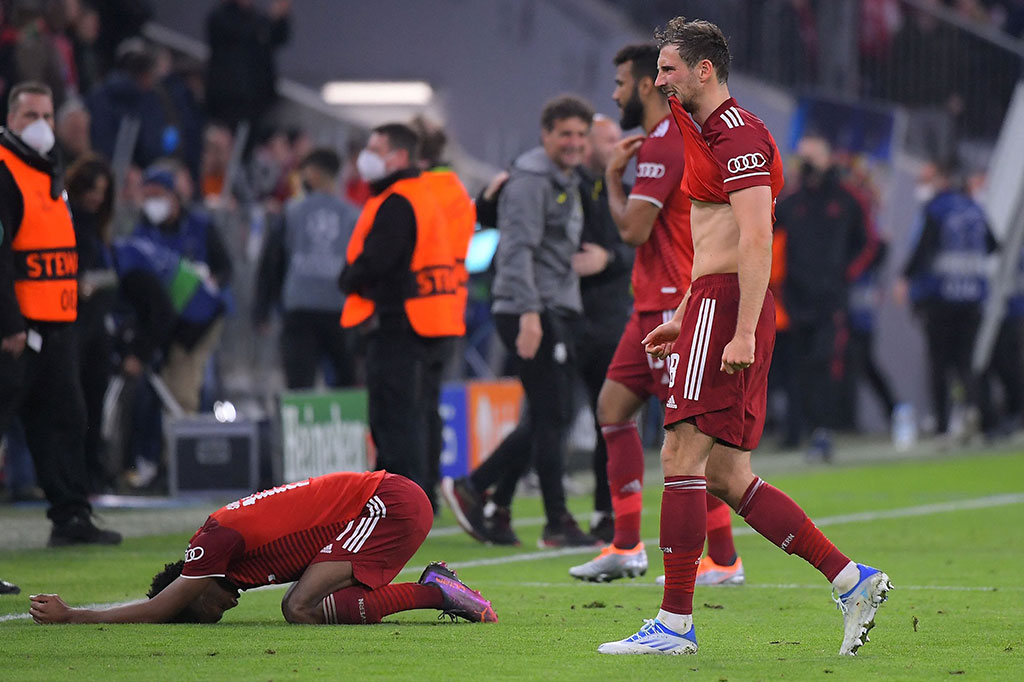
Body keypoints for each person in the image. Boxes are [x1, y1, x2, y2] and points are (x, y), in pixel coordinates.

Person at [597, 19, 891, 657]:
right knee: (728, 475)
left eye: (670, 68)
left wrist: (739, 329)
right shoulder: (697, 127)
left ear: (704, 70)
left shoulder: (740, 135)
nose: (661, 80)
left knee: (679, 458)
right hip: (710, 303)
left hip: (730, 307)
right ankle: (852, 580)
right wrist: (686, 309)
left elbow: (756, 238)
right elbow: (713, 236)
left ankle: (674, 625)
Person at [570, 43, 743, 587]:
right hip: (648, 300)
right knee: (612, 406)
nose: (615, 93)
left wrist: (613, 181)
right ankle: (625, 545)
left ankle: (724, 559)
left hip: (675, 299)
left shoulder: (666, 142)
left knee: (689, 437)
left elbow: (632, 231)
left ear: (644, 85)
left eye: (621, 83)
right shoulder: (663, 139)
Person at [29, 470, 497, 625]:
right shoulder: (228, 556)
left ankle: (436, 591)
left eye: (203, 609)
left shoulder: (211, 543)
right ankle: (437, 590)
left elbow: (158, 608)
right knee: (315, 605)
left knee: (299, 606)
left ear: (193, 585)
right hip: (387, 501)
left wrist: (75, 615)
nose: (221, 611)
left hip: (387, 502)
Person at [442, 95, 600, 548]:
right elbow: (516, 252)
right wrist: (531, 313)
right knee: (553, 415)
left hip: (551, 306)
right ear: (545, 135)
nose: (573, 143)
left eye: (579, 135)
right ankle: (542, 516)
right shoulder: (532, 181)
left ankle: (494, 500)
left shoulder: (561, 177)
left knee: (548, 415)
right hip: (532, 308)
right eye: (565, 134)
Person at [0, 81, 121, 546]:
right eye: (31, 116)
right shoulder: (6, 170)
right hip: (17, 329)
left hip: (55, 326)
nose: (42, 126)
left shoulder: (48, 172)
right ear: (11, 119)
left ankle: (71, 517)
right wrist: (8, 322)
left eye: (48, 117)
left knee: (65, 419)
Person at [339, 123, 463, 497]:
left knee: (394, 421)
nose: (368, 157)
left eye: (377, 149)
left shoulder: (397, 201)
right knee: (419, 415)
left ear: (400, 156)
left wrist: (348, 277)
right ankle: (421, 499)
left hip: (400, 322)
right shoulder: (427, 194)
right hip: (435, 318)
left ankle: (397, 506)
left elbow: (378, 261)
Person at [773, 134, 876, 460]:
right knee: (796, 368)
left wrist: (846, 275)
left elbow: (871, 243)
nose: (807, 161)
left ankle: (823, 431)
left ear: (829, 158)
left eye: (813, 154)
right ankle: (801, 431)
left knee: (825, 362)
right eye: (803, 155)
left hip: (831, 299)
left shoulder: (849, 199)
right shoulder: (790, 201)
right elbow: (769, 241)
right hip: (794, 300)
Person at [894, 159, 997, 440]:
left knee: (939, 362)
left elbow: (922, 250)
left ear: (942, 178)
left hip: (940, 297)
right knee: (967, 361)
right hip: (972, 296)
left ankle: (942, 422)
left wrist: (905, 278)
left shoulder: (936, 209)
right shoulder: (974, 208)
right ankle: (981, 415)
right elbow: (993, 245)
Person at [409, 117, 476, 512]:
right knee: (429, 403)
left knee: (409, 408)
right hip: (451, 307)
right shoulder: (457, 191)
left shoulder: (415, 193)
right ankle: (429, 491)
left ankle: (410, 492)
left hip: (416, 308)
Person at [254, 148, 359, 389]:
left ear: (311, 173)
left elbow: (272, 262)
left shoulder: (291, 211)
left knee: (299, 386)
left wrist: (263, 309)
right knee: (347, 384)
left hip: (299, 308)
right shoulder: (353, 216)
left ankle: (302, 426)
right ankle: (346, 426)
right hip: (340, 309)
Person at [132, 162, 233, 413]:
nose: (152, 202)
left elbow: (225, 268)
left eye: (158, 196)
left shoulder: (200, 226)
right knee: (153, 390)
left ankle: (182, 445)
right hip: (160, 320)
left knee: (184, 387)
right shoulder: (141, 233)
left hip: (197, 319)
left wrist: (208, 280)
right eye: (147, 197)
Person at [205, 0, 291, 130]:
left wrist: (281, 18)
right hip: (231, 97)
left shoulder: (254, 17)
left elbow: (277, 37)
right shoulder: (222, 17)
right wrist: (270, 19)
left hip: (257, 100)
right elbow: (245, 32)